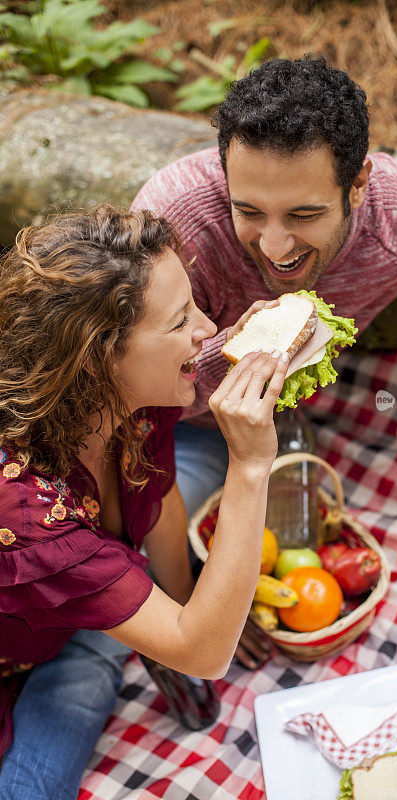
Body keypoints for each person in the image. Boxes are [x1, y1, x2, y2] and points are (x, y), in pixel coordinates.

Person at [131, 54, 397, 530]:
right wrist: (237, 354)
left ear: (359, 184)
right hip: (177, 430)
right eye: (248, 211)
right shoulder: (173, 223)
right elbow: (129, 380)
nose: (274, 246)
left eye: (303, 215)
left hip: (295, 425)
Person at [0, 205, 289, 799]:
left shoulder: (135, 394)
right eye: (183, 318)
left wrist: (188, 602)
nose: (210, 329)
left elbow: (160, 499)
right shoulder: (26, 512)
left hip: (69, 607)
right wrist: (251, 464)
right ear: (99, 355)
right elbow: (204, 653)